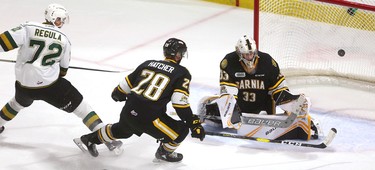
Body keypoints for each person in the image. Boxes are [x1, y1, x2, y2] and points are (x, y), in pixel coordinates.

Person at [0, 3, 121, 150]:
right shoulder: (64, 39)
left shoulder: (28, 28)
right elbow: (63, 71)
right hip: (50, 87)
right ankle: (105, 138)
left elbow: (3, 42)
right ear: (51, 17)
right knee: (82, 108)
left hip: (24, 86)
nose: (61, 23)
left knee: (16, 104)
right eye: (59, 19)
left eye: (62, 20)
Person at [73, 38, 205, 162]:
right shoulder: (182, 72)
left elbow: (120, 91)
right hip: (150, 118)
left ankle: (88, 139)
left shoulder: (147, 63)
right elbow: (179, 103)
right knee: (181, 131)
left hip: (128, 111)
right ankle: (164, 153)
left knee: (123, 130)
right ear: (178, 55)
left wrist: (118, 95)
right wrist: (193, 122)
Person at [198, 35, 320, 140]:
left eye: (251, 53)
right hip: (240, 109)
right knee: (211, 109)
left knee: (299, 102)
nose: (250, 56)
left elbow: (279, 89)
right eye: (246, 54)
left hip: (264, 108)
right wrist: (231, 113)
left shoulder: (267, 62)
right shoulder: (229, 62)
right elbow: (228, 92)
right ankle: (213, 109)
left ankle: (306, 123)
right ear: (239, 53)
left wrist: (291, 104)